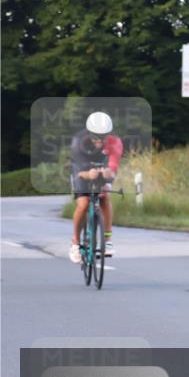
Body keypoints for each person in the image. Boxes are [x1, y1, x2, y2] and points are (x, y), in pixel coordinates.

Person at [69, 112, 123, 263]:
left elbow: (113, 166)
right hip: (81, 169)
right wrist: (88, 173)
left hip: (102, 167)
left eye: (103, 137)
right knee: (84, 203)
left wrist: (108, 173)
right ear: (88, 134)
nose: (99, 141)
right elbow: (81, 171)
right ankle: (75, 243)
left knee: (105, 195)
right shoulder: (78, 142)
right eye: (95, 137)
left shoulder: (115, 142)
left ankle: (107, 239)